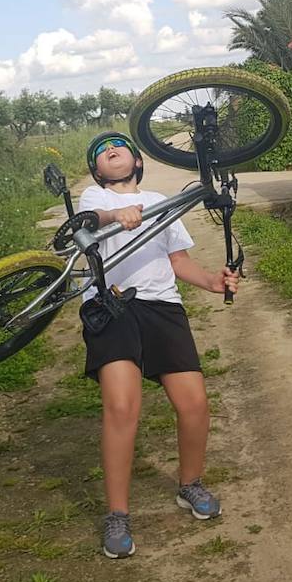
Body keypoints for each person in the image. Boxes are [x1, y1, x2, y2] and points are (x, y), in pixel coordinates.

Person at [77, 131, 240, 559]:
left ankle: (191, 484)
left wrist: (212, 282)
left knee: (195, 404)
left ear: (137, 159)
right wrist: (117, 217)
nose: (110, 150)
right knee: (122, 407)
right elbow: (87, 224)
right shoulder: (91, 197)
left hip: (162, 307)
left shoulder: (160, 200)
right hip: (111, 305)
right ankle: (117, 515)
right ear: (97, 169)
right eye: (100, 152)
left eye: (119, 146)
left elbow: (179, 260)